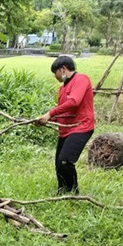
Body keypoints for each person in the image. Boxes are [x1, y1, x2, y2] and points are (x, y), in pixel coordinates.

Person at [36, 55, 95, 194]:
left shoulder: (81, 79)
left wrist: (49, 113)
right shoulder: (62, 89)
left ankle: (74, 192)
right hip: (66, 129)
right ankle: (62, 191)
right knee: (59, 163)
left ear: (63, 69)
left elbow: (74, 102)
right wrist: (47, 120)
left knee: (65, 161)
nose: (55, 76)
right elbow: (62, 111)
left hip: (82, 126)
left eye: (55, 72)